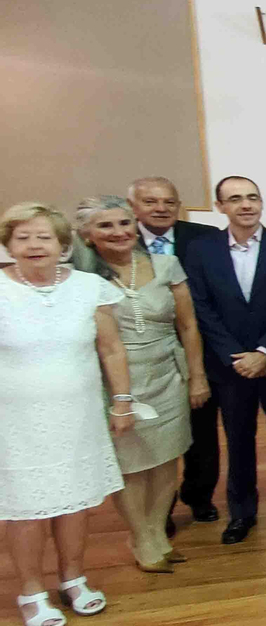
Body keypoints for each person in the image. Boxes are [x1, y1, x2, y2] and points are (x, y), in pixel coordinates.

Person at [2, 203, 132, 626]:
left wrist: (122, 402)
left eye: (43, 237)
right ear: (9, 244)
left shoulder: (89, 287)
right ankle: (31, 592)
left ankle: (73, 578)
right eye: (23, 237)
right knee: (26, 509)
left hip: (76, 417)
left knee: (75, 501)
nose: (34, 246)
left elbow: (111, 349)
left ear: (63, 244)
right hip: (15, 422)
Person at [73, 196, 208, 572]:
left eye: (124, 223)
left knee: (167, 457)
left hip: (167, 373)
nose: (118, 232)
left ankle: (155, 532)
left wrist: (197, 376)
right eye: (105, 226)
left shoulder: (167, 264)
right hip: (115, 381)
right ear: (87, 236)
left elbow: (188, 325)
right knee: (131, 463)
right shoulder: (80, 279)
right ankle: (141, 535)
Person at [184, 176, 266, 545]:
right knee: (237, 441)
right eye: (235, 199)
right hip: (229, 365)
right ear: (221, 207)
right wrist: (235, 355)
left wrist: (265, 351)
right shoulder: (202, 250)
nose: (246, 205)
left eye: (253, 197)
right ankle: (242, 514)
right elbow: (200, 307)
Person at [128, 177, 223, 528]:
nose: (161, 209)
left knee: (202, 432)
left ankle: (199, 496)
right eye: (151, 202)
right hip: (142, 357)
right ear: (134, 208)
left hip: (200, 349)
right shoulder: (119, 239)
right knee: (152, 433)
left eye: (169, 202)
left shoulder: (204, 239)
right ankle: (159, 509)